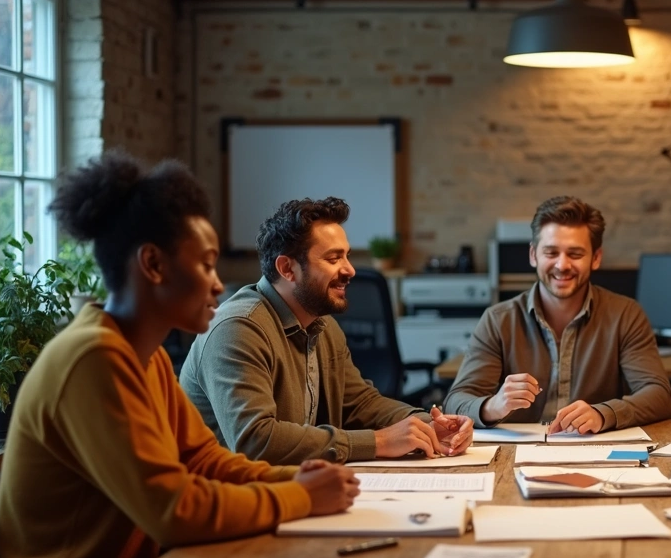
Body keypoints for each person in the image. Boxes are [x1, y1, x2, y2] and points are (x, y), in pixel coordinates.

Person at [0, 151, 359, 558]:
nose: (219, 283)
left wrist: (297, 476)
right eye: (205, 264)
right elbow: (174, 511)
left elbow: (203, 460)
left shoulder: (141, 356)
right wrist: (298, 496)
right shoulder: (93, 358)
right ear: (153, 265)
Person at [181, 197, 473, 466]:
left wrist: (425, 423)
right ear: (287, 268)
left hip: (286, 488)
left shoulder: (322, 325)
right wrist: (379, 441)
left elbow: (359, 403)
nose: (350, 270)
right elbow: (257, 441)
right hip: (228, 504)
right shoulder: (238, 329)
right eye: (334, 259)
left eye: (346, 256)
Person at [443, 196, 671, 433]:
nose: (562, 265)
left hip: (596, 451)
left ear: (595, 258)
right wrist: (493, 406)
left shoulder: (626, 315)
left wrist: (603, 413)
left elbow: (659, 395)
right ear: (533, 255)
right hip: (514, 453)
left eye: (575, 254)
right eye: (551, 252)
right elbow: (455, 402)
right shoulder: (497, 320)